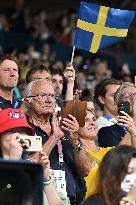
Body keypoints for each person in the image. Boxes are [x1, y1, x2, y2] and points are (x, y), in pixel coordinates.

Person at [25, 79, 89, 205]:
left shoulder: (66, 128)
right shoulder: (24, 130)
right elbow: (28, 166)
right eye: (42, 95)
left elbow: (85, 170)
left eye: (52, 96)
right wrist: (54, 137)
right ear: (28, 102)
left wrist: (76, 141)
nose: (49, 100)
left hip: (74, 201)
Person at [0, 108, 69, 205]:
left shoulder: (35, 167)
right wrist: (13, 161)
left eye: (23, 131)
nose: (18, 136)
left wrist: (46, 180)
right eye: (11, 131)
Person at [94, 79, 127, 147]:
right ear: (102, 99)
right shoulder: (100, 126)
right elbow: (115, 155)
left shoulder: (127, 121)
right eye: (114, 95)